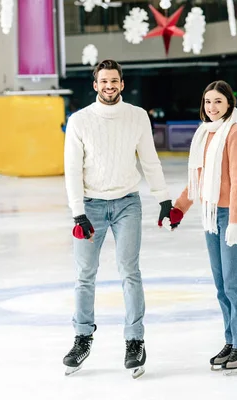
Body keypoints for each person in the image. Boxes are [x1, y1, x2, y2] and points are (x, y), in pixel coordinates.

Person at [62, 59, 173, 378]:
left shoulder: (137, 116)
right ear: (95, 85)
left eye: (115, 81)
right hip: (91, 205)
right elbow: (72, 169)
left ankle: (135, 340)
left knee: (130, 272)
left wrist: (163, 197)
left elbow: (149, 160)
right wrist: (77, 211)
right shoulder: (80, 121)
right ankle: (82, 337)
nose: (109, 86)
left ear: (122, 84)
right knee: (85, 274)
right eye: (103, 81)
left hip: (127, 202)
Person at [169, 80, 237, 373]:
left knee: (234, 281)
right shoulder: (204, 134)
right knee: (221, 285)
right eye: (207, 102)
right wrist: (179, 208)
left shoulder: (235, 133)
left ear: (229, 103)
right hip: (209, 214)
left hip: (233, 214)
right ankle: (231, 341)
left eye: (218, 101)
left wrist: (234, 220)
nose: (212, 107)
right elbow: (199, 180)